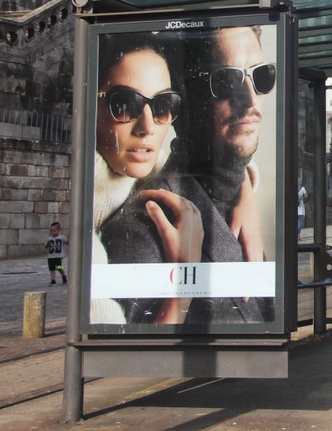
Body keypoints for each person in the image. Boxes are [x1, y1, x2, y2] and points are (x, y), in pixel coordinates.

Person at [102, 25, 275, 325]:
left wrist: (243, 187)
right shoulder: (146, 225)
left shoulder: (239, 199)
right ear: (186, 100)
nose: (249, 100)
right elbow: (137, 361)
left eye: (261, 76)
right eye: (226, 81)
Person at [92, 33, 202, 325]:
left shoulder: (159, 153)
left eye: (163, 105)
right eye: (124, 104)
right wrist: (187, 275)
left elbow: (234, 160)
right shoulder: (83, 217)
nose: (147, 126)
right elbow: (116, 352)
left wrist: (244, 191)